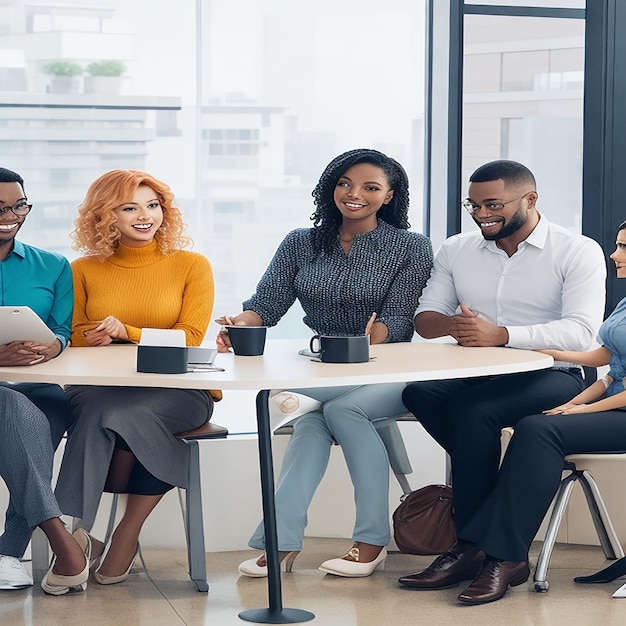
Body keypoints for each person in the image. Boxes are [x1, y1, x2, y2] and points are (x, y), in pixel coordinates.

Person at [216, 148, 433, 578]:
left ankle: (368, 541)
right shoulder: (301, 242)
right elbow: (266, 304)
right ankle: (283, 542)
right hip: (322, 369)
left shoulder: (411, 247)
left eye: (371, 187)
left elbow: (397, 318)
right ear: (330, 188)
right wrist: (239, 322)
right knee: (317, 422)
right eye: (344, 184)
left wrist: (369, 339)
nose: (354, 194)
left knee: (338, 409)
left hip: (387, 371)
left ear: (389, 196)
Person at [398, 159, 607, 602]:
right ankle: (482, 542)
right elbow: (425, 318)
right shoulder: (457, 248)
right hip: (478, 372)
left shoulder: (577, 249)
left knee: (474, 412)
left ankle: (479, 548)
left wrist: (505, 335)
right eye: (472, 205)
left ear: (530, 200)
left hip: (558, 372)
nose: (479, 214)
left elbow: (582, 331)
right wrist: (454, 325)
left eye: (492, 204)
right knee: (419, 392)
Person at [436, 219, 626, 604]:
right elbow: (606, 362)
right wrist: (552, 361)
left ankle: (503, 556)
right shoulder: (625, 302)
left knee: (540, 429)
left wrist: (584, 412)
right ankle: (493, 549)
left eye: (623, 247)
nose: (614, 253)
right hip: (612, 403)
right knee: (527, 422)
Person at [54, 169, 220, 585]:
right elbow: (70, 334)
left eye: (152, 205)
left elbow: (191, 336)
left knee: (109, 414)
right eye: (129, 208)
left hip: (176, 390)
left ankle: (107, 533)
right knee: (106, 409)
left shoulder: (191, 265)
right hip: (100, 388)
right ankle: (84, 535)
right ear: (106, 215)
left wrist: (126, 332)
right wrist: (91, 336)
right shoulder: (82, 268)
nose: (145, 216)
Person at [0, 167, 91, 596]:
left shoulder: (53, 266)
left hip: (37, 386)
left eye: (19, 205)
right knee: (17, 412)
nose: (11, 215)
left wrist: (51, 348)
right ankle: (48, 543)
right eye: (0, 207)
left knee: (39, 415)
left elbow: (62, 330)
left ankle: (8, 553)